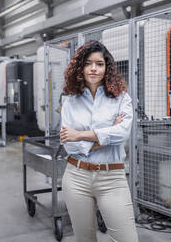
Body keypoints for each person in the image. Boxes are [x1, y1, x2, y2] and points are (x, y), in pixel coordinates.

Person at [60, 40, 139, 242]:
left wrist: (81, 134)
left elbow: (123, 134)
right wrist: (106, 135)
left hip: (111, 177)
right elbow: (68, 144)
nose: (93, 68)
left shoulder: (121, 97)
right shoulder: (70, 101)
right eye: (87, 63)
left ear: (107, 68)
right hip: (76, 177)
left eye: (99, 64)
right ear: (80, 67)